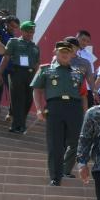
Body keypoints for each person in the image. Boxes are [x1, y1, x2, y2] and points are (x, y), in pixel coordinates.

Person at [32, 40, 87, 186]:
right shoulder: (46, 69)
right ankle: (55, 177)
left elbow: (82, 95)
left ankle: (65, 168)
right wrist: (38, 109)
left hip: (74, 108)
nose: (64, 54)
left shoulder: (78, 72)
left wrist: (85, 112)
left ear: (72, 54)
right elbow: (37, 90)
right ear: (55, 52)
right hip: (54, 107)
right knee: (55, 143)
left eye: (67, 52)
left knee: (76, 141)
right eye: (61, 51)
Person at [0, 21, 40, 134]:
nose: (30, 34)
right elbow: (5, 58)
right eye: (28, 31)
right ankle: (17, 126)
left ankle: (21, 123)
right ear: (22, 31)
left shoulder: (34, 47)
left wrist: (38, 79)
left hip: (30, 74)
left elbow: (37, 65)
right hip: (17, 72)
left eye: (32, 32)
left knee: (28, 100)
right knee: (18, 99)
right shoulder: (14, 42)